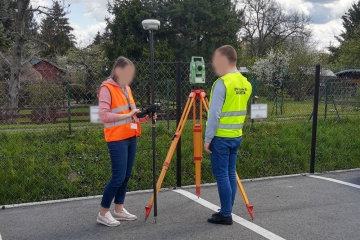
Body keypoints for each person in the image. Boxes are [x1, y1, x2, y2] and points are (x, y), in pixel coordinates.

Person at [96, 56, 156, 227]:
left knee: (126, 175)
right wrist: (129, 115)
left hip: (130, 136)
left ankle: (119, 209)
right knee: (118, 177)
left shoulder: (126, 89)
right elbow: (104, 115)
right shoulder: (106, 88)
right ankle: (103, 213)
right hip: (117, 138)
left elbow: (132, 115)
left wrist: (146, 117)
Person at [204, 45, 252, 225]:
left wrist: (208, 139)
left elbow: (214, 114)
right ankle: (226, 210)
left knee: (222, 175)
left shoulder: (222, 83)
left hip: (221, 138)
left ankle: (225, 214)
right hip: (236, 136)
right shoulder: (245, 83)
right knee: (231, 173)